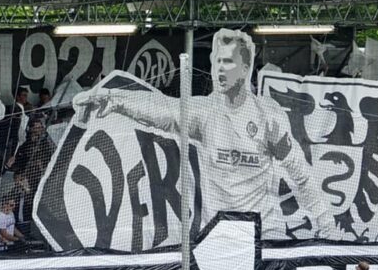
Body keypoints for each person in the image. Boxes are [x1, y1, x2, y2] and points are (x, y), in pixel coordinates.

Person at [76, 28, 328, 234]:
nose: (219, 68)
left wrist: (323, 218)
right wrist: (114, 98)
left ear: (245, 67)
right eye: (217, 61)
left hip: (264, 234)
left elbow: (299, 172)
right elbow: (163, 108)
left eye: (228, 61)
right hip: (217, 234)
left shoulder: (268, 117)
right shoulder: (205, 112)